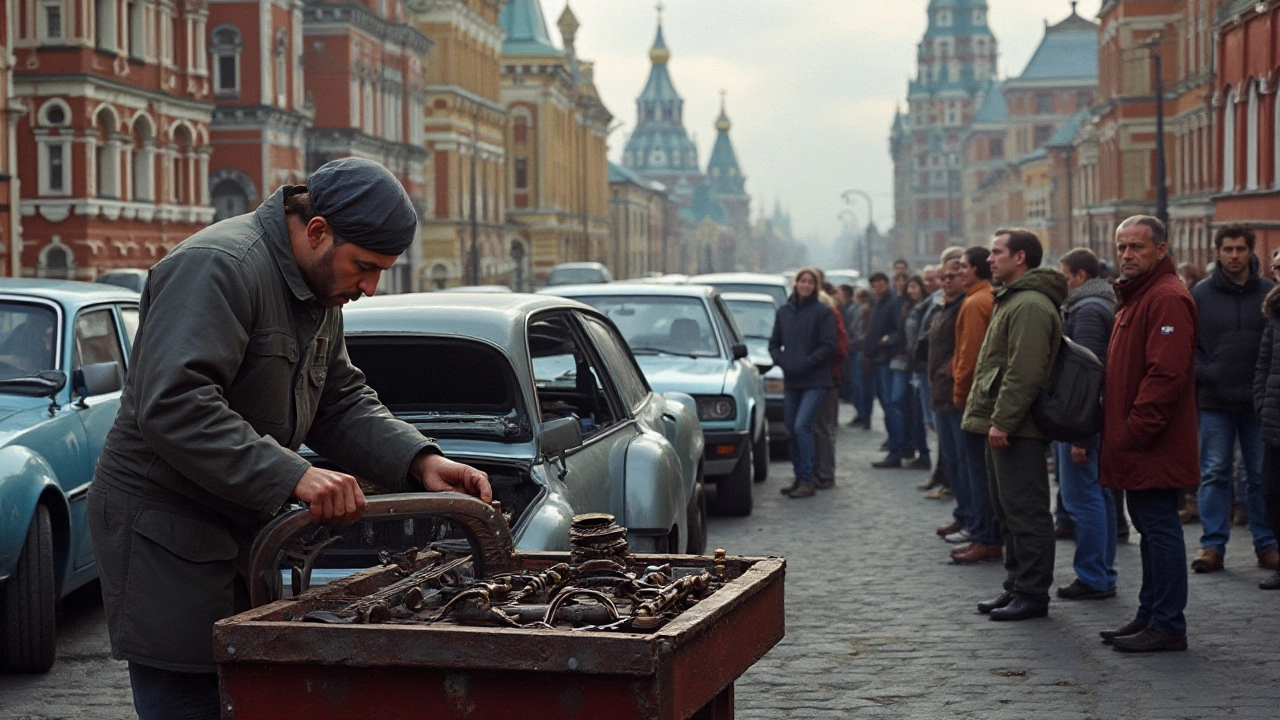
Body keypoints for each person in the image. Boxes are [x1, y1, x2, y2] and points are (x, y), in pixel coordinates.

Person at [87, 158, 495, 718]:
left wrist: (420, 460)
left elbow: (339, 400)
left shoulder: (318, 285)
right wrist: (293, 474)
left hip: (235, 529)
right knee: (190, 699)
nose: (371, 288)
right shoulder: (220, 266)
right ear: (317, 230)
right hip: (168, 537)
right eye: (365, 267)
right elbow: (175, 405)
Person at [1099, 215, 1198, 653]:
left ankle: (1167, 623)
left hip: (1152, 440)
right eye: (1122, 247)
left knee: (1159, 529)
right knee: (1148, 527)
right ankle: (1150, 613)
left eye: (1137, 247)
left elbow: (1166, 374)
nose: (1127, 255)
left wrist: (1137, 430)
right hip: (1138, 439)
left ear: (1161, 250)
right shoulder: (1138, 296)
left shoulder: (1167, 297)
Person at [964, 229, 1066, 621]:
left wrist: (1003, 420)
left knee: (1026, 510)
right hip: (1004, 423)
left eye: (997, 252)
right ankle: (1016, 585)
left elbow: (1024, 372)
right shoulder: (1013, 299)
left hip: (1017, 426)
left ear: (1020, 257)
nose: (990, 259)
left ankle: (1033, 592)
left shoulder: (1029, 305)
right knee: (1007, 509)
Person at [1190, 224, 1278, 573]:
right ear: (1217, 252)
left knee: (1260, 477)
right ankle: (1212, 546)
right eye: (1228, 249)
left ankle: (1266, 543)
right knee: (1214, 473)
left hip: (1258, 403)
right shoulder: (1200, 295)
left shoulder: (1269, 293)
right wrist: (1205, 373)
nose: (1234, 256)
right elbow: (1188, 346)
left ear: (1251, 251)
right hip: (1214, 400)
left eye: (1240, 249)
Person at [1054, 248, 1119, 601]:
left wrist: (1080, 435)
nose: (1063, 284)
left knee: (1083, 497)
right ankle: (1102, 573)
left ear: (1080, 277)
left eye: (1065, 277)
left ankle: (1093, 575)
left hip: (1082, 421)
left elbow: (1086, 375)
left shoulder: (1089, 310)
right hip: (1095, 418)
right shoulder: (1098, 305)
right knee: (1100, 495)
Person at [943, 246, 1003, 563]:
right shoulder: (984, 298)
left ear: (977, 269)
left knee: (979, 475)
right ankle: (983, 534)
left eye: (964, 266)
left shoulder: (976, 301)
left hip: (975, 400)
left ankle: (985, 537)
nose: (960, 271)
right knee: (980, 473)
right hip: (982, 397)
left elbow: (970, 356)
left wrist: (960, 394)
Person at [771, 267, 838, 499]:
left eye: (811, 282)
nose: (806, 285)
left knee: (802, 426)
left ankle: (808, 480)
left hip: (816, 380)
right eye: (803, 281)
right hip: (792, 381)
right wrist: (782, 360)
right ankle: (799, 476)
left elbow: (830, 345)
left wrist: (807, 363)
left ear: (816, 286)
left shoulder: (823, 312)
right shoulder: (784, 312)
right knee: (790, 429)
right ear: (796, 283)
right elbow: (774, 344)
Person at [927, 248, 968, 520]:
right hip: (941, 391)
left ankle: (971, 520)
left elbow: (964, 350)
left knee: (963, 462)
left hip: (955, 392)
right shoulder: (944, 304)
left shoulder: (966, 305)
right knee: (953, 460)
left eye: (953, 276)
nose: (947, 281)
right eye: (944, 276)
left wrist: (947, 371)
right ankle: (963, 515)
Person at [866, 272, 907, 468]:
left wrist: (887, 340)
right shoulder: (879, 303)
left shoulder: (892, 303)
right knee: (887, 405)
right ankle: (895, 446)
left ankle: (896, 450)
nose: (878, 288)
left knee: (891, 406)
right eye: (875, 285)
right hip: (878, 359)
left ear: (886, 284)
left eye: (881, 284)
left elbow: (899, 331)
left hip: (888, 359)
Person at [813, 278, 849, 490]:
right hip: (814, 378)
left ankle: (825, 474)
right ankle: (817, 472)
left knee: (823, 427)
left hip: (827, 377)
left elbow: (839, 350)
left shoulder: (830, 314)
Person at [1256, 275, 1280, 589]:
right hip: (1275, 420)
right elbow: (1263, 362)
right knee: (1272, 494)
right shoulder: (1276, 312)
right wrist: (1261, 402)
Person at [902, 276, 933, 470]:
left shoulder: (928, 306)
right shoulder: (912, 307)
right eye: (909, 287)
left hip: (923, 365)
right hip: (915, 365)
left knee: (929, 417)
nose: (911, 291)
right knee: (920, 414)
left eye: (915, 286)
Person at [849, 287, 875, 429]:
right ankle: (864, 415)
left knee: (861, 385)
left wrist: (855, 340)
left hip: (861, 350)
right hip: (860, 349)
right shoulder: (863, 308)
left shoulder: (864, 310)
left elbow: (862, 330)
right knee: (862, 386)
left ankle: (864, 415)